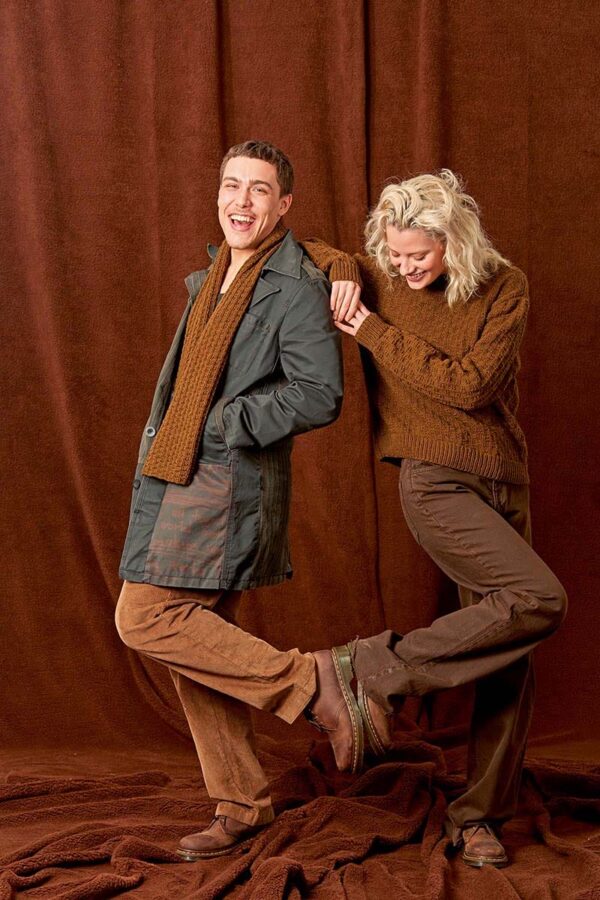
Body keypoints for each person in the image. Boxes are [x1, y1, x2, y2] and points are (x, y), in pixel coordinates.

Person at [114, 140, 389, 860]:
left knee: (145, 617)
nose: (241, 201)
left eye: (259, 190)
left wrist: (224, 423)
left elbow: (319, 393)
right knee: (199, 646)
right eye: (232, 186)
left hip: (225, 483)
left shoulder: (293, 285)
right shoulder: (216, 275)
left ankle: (312, 682)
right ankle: (241, 804)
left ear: (284, 204)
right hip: (179, 474)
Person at [303, 170, 567, 868]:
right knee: (539, 598)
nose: (403, 267)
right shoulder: (380, 275)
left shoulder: (504, 286)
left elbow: (470, 385)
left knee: (509, 653)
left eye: (417, 255)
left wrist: (372, 332)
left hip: (505, 481)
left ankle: (478, 817)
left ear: (456, 241)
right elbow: (311, 249)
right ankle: (369, 668)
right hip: (434, 479)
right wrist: (345, 274)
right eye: (393, 254)